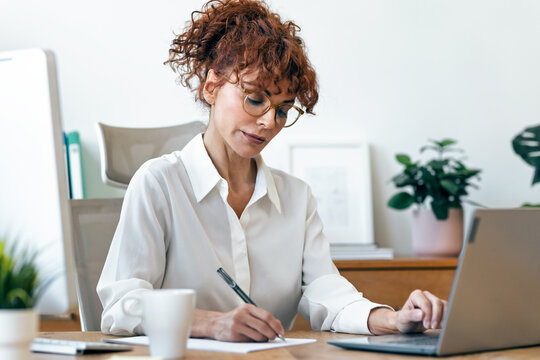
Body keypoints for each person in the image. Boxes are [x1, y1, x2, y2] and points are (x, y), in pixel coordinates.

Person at [97, 0, 447, 342]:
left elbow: (326, 290)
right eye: (254, 99)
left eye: (282, 110)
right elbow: (120, 305)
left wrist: (394, 318)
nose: (268, 122)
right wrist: (212, 323)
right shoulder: (159, 184)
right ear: (211, 86)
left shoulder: (296, 198)